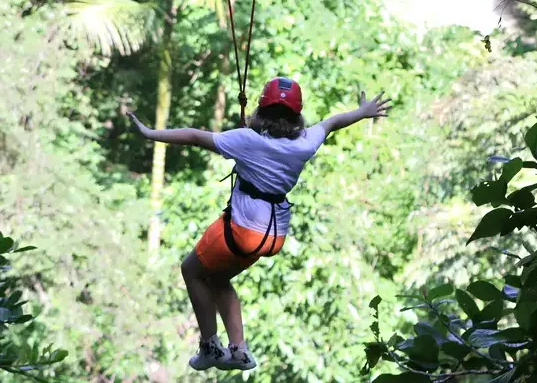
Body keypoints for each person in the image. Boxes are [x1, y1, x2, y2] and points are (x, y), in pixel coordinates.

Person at [128, 79, 392, 372]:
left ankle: (210, 347)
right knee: (216, 279)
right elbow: (332, 123)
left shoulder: (247, 141)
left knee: (191, 270)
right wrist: (363, 111)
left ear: (261, 111)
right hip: (273, 234)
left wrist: (150, 133)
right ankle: (239, 351)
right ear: (297, 116)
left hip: (242, 230)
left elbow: (194, 137)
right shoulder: (305, 142)